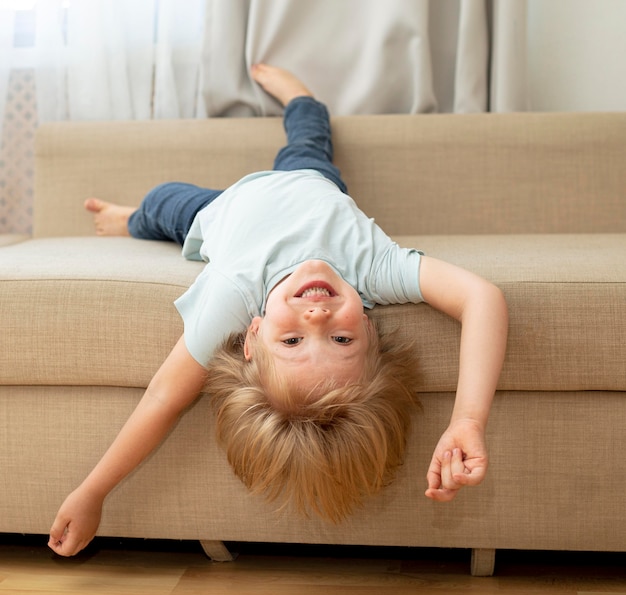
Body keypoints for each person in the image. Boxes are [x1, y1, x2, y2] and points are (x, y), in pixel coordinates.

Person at [48, 64, 508, 557]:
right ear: (370, 331)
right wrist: (467, 420)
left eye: (290, 342)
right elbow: (482, 299)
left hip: (218, 212)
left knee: (162, 201)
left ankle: (130, 218)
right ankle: (302, 98)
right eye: (342, 340)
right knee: (311, 131)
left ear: (251, 336)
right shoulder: (373, 268)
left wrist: (94, 490)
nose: (317, 321)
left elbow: (164, 398)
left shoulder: (233, 294)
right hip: (308, 178)